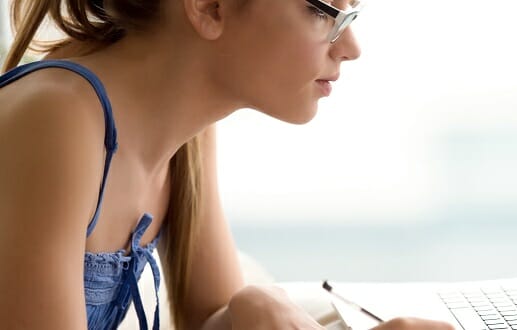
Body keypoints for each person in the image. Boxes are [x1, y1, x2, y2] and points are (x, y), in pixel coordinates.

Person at [0, 0, 454, 329]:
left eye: (349, 11)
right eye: (323, 11)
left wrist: (253, 307)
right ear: (210, 7)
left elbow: (208, 319)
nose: (351, 46)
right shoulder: (57, 120)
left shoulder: (185, 132)